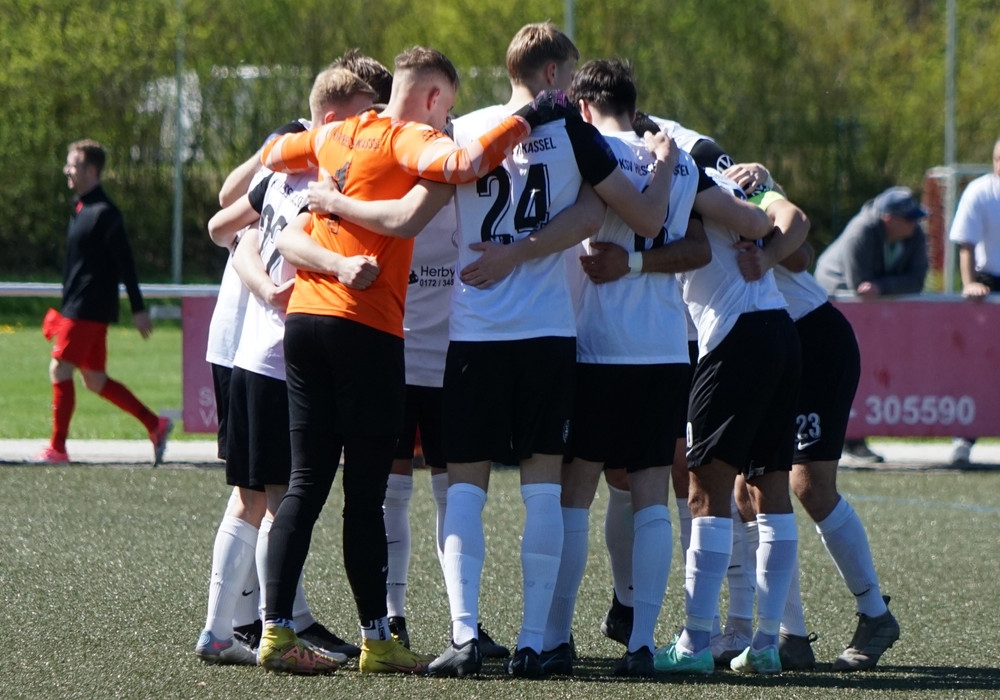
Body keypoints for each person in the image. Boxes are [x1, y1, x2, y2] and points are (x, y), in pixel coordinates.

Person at [255, 45, 564, 676]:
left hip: (305, 320)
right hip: (364, 325)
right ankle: (378, 639)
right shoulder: (409, 138)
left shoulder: (338, 132)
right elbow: (466, 162)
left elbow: (272, 155)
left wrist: (326, 189)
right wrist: (528, 116)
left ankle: (275, 633)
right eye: (446, 108)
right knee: (366, 494)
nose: (447, 121)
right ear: (431, 98)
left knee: (307, 482)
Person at [426, 22, 686, 680]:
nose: (572, 90)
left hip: (475, 331)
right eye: (568, 77)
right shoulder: (572, 132)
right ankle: (532, 641)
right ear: (550, 75)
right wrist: (523, 252)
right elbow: (612, 217)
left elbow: (424, 202)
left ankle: (463, 634)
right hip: (546, 334)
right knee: (543, 490)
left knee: (465, 489)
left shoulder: (465, 129)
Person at [195, 68, 375, 671]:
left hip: (251, 354)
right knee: (278, 504)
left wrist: (263, 285)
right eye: (361, 117)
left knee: (251, 499)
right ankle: (271, 630)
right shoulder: (323, 185)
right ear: (332, 121)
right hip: (280, 362)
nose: (368, 131)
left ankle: (224, 630)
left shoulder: (279, 174)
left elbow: (228, 232)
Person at [537, 58, 707, 679]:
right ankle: (641, 644)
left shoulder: (592, 151)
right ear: (635, 107)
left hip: (599, 346)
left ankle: (555, 636)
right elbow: (696, 245)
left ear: (582, 108)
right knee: (652, 495)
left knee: (575, 494)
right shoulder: (679, 162)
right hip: (664, 347)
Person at [728, 168, 900, 671]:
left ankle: (874, 613)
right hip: (762, 347)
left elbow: (800, 252)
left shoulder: (724, 184)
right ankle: (790, 636)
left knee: (809, 485)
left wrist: (767, 213)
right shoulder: (659, 197)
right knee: (746, 490)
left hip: (812, 339)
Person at [34, 140, 172, 466]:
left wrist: (138, 309)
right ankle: (155, 424)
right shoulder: (80, 207)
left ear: (91, 170)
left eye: (73, 165)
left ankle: (57, 448)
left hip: (88, 309)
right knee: (94, 379)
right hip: (79, 308)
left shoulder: (105, 213)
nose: (67, 170)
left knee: (59, 368)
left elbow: (126, 263)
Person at [814, 185, 929, 463]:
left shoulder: (915, 235)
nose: (915, 224)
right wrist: (883, 287)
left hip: (870, 310)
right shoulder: (861, 230)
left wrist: (881, 287)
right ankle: (840, 440)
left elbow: (916, 280)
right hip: (835, 300)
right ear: (889, 218)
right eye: (909, 218)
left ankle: (854, 440)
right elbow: (859, 286)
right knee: (841, 372)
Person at [947, 137, 1000, 465]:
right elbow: (965, 244)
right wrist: (970, 285)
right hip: (989, 284)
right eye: (997, 159)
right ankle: (963, 438)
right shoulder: (980, 192)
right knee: (981, 363)